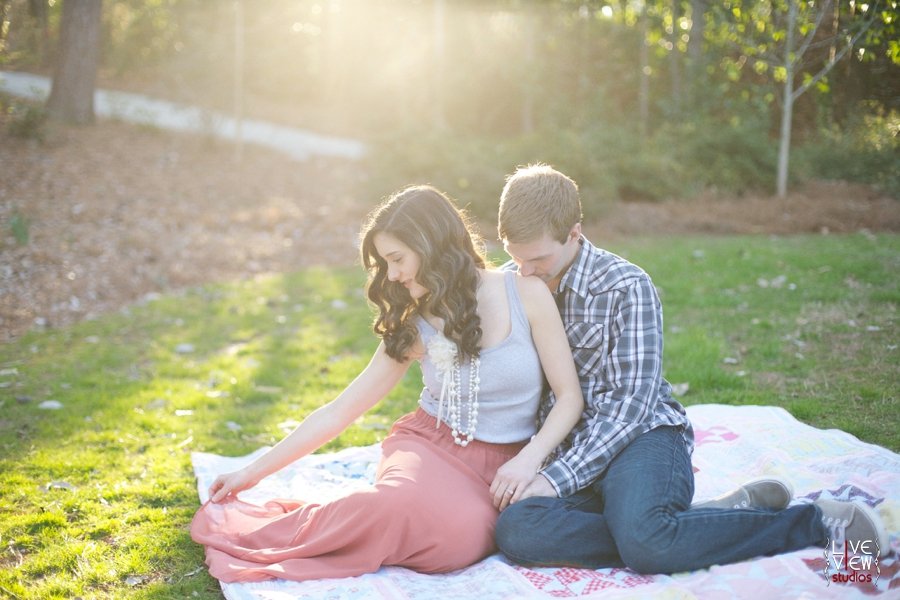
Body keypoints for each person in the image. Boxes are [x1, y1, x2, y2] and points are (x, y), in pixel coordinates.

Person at [493, 163, 889, 574]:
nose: (523, 271)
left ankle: (815, 521)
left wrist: (557, 480)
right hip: (570, 448)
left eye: (537, 258)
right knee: (517, 530)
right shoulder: (512, 285)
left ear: (574, 232)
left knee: (647, 546)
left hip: (641, 440)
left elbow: (631, 407)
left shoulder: (626, 286)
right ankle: (705, 520)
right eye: (514, 257)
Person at [190, 184, 584, 582]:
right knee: (402, 508)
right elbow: (340, 410)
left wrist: (529, 460)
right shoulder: (416, 323)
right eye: (386, 263)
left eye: (397, 259)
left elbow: (569, 397)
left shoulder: (526, 293)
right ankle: (273, 534)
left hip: (510, 462)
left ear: (432, 245)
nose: (392, 275)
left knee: (456, 544)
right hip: (431, 448)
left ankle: (372, 520)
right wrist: (251, 472)